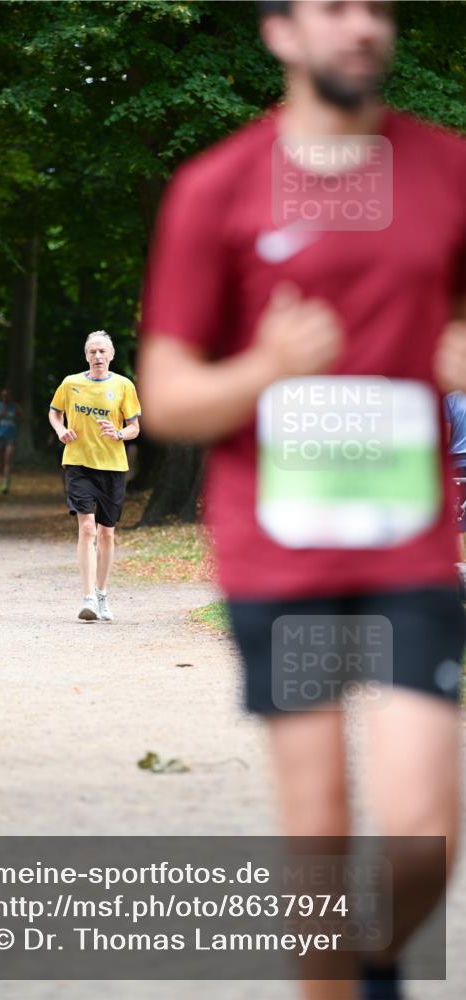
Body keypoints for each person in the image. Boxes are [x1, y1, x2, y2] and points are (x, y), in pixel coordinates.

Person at [139, 2, 466, 998]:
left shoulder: (447, 170)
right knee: (319, 829)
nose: (361, 26)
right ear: (280, 32)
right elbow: (169, 395)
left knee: (424, 832)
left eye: (377, 8)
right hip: (278, 547)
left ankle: (366, 960)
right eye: (333, 7)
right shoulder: (216, 189)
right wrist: (267, 367)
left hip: (407, 541)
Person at [48, 331, 141, 621]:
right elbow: (54, 413)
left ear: (111, 355)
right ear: (86, 356)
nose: (97, 357)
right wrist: (60, 430)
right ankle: (87, 596)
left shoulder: (124, 385)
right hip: (78, 463)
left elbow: (134, 427)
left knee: (106, 533)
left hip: (112, 466)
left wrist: (120, 433)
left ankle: (102, 594)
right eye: (92, 352)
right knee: (87, 528)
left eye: (102, 352)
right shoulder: (71, 383)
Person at [444, 391, 466, 598]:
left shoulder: (450, 398)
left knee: (458, 523)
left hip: (458, 464)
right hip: (459, 464)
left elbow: (445, 436)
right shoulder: (451, 398)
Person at [0, 388, 21, 493]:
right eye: (4, 396)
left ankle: (5, 483)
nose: (6, 398)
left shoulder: (15, 407)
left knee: (8, 460)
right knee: (1, 462)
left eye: (7, 396)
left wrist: (15, 418)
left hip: (11, 436)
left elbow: (22, 418)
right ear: (2, 397)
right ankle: (4, 477)